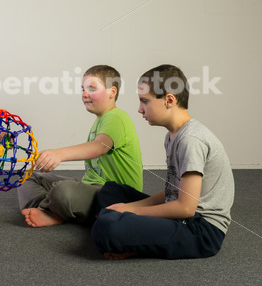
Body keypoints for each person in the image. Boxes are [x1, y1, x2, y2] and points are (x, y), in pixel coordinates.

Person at [91, 64, 235, 260]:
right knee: (109, 192)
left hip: (200, 230)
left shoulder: (191, 140)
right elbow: (172, 193)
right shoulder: (172, 136)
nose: (139, 109)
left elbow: (186, 208)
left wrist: (129, 209)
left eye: (144, 101)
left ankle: (129, 235)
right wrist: (128, 207)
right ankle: (134, 236)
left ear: (169, 100)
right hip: (182, 215)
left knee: (107, 226)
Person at [18, 65, 143, 227]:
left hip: (115, 196)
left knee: (63, 190)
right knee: (28, 177)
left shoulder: (116, 117)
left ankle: (53, 210)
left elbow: (100, 146)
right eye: (83, 89)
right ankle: (52, 210)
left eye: (92, 89)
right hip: (90, 186)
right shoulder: (100, 119)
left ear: (112, 92)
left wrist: (59, 154)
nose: (84, 94)